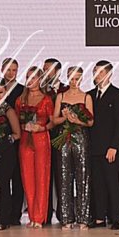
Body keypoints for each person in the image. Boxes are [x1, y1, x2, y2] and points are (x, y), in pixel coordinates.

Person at [51, 66, 94, 229]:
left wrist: (77, 120)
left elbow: (91, 122)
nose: (74, 81)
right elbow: (54, 120)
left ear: (81, 79)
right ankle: (66, 218)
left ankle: (83, 218)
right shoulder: (61, 96)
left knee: (83, 176)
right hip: (63, 138)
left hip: (80, 138)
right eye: (72, 78)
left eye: (77, 78)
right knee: (64, 177)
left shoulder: (86, 97)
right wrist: (65, 118)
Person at [87, 60, 119, 230]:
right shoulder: (89, 95)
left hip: (110, 147)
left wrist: (114, 146)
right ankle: (99, 217)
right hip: (93, 147)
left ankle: (116, 218)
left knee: (112, 182)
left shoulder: (117, 94)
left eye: (101, 72)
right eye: (95, 71)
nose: (97, 75)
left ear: (109, 74)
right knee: (97, 183)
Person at [15, 67, 53, 228]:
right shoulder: (20, 100)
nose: (30, 81)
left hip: (41, 139)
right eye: (28, 77)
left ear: (40, 80)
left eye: (34, 78)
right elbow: (16, 120)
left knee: (41, 177)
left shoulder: (46, 100)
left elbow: (52, 122)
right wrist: (23, 126)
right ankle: (32, 216)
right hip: (25, 140)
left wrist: (41, 128)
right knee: (27, 177)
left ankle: (39, 217)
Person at [0, 58, 24, 227]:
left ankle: (5, 219)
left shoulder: (9, 111)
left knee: (4, 185)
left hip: (7, 152)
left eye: (1, 92)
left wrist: (0, 142)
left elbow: (17, 134)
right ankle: (1, 216)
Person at [40, 58, 66, 225]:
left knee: (62, 177)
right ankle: (45, 214)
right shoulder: (39, 91)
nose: (46, 72)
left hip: (63, 139)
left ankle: (64, 214)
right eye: (44, 69)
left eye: (49, 69)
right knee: (45, 178)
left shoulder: (67, 90)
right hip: (42, 139)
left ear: (57, 71)